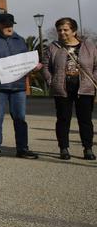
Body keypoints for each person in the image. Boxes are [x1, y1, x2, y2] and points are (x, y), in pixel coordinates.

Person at [0, 12, 41, 160]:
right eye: (6, 25)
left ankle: (22, 148)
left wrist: (33, 66)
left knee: (20, 118)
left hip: (18, 86)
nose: (10, 28)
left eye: (11, 25)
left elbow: (25, 61)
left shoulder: (20, 40)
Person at [41, 17, 96, 160]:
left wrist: (94, 80)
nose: (62, 32)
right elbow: (46, 66)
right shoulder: (53, 47)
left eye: (65, 29)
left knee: (85, 120)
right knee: (63, 119)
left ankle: (88, 148)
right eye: (59, 30)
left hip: (84, 88)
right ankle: (64, 148)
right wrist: (51, 81)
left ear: (74, 31)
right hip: (62, 88)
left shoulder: (89, 47)